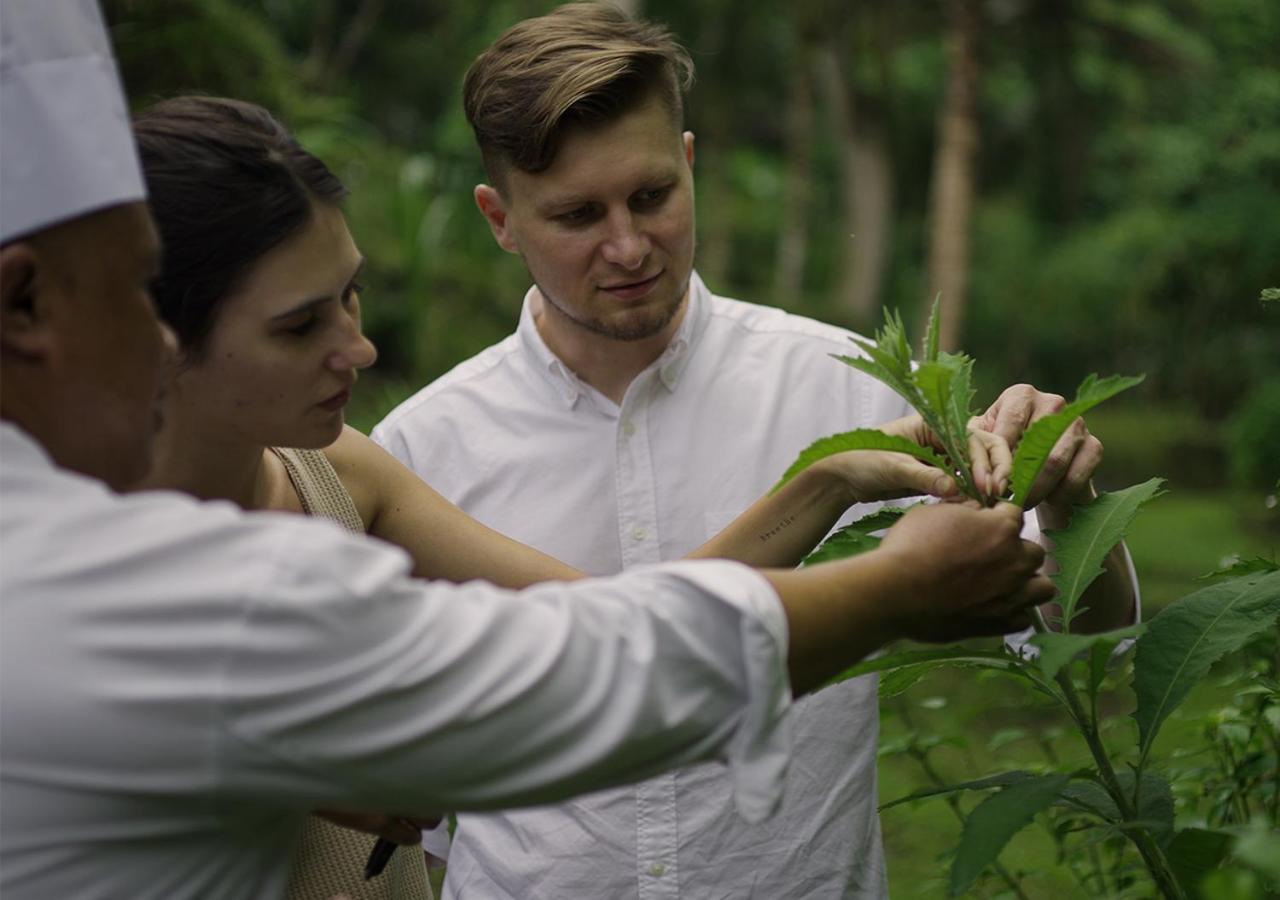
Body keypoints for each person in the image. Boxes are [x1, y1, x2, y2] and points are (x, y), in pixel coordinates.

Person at [0, 3, 1055, 898]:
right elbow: (582, 680)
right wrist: (889, 589)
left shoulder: (340, 474)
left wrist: (825, 481)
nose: (359, 348)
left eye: (352, 295)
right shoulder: (130, 583)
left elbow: (603, 625)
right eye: (295, 325)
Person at [372, 4, 1138, 897]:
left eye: (652, 196)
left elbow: (1086, 644)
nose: (628, 246)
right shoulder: (421, 452)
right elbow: (402, 803)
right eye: (578, 215)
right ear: (499, 219)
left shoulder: (851, 389)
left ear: (690, 163)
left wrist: (1064, 500)